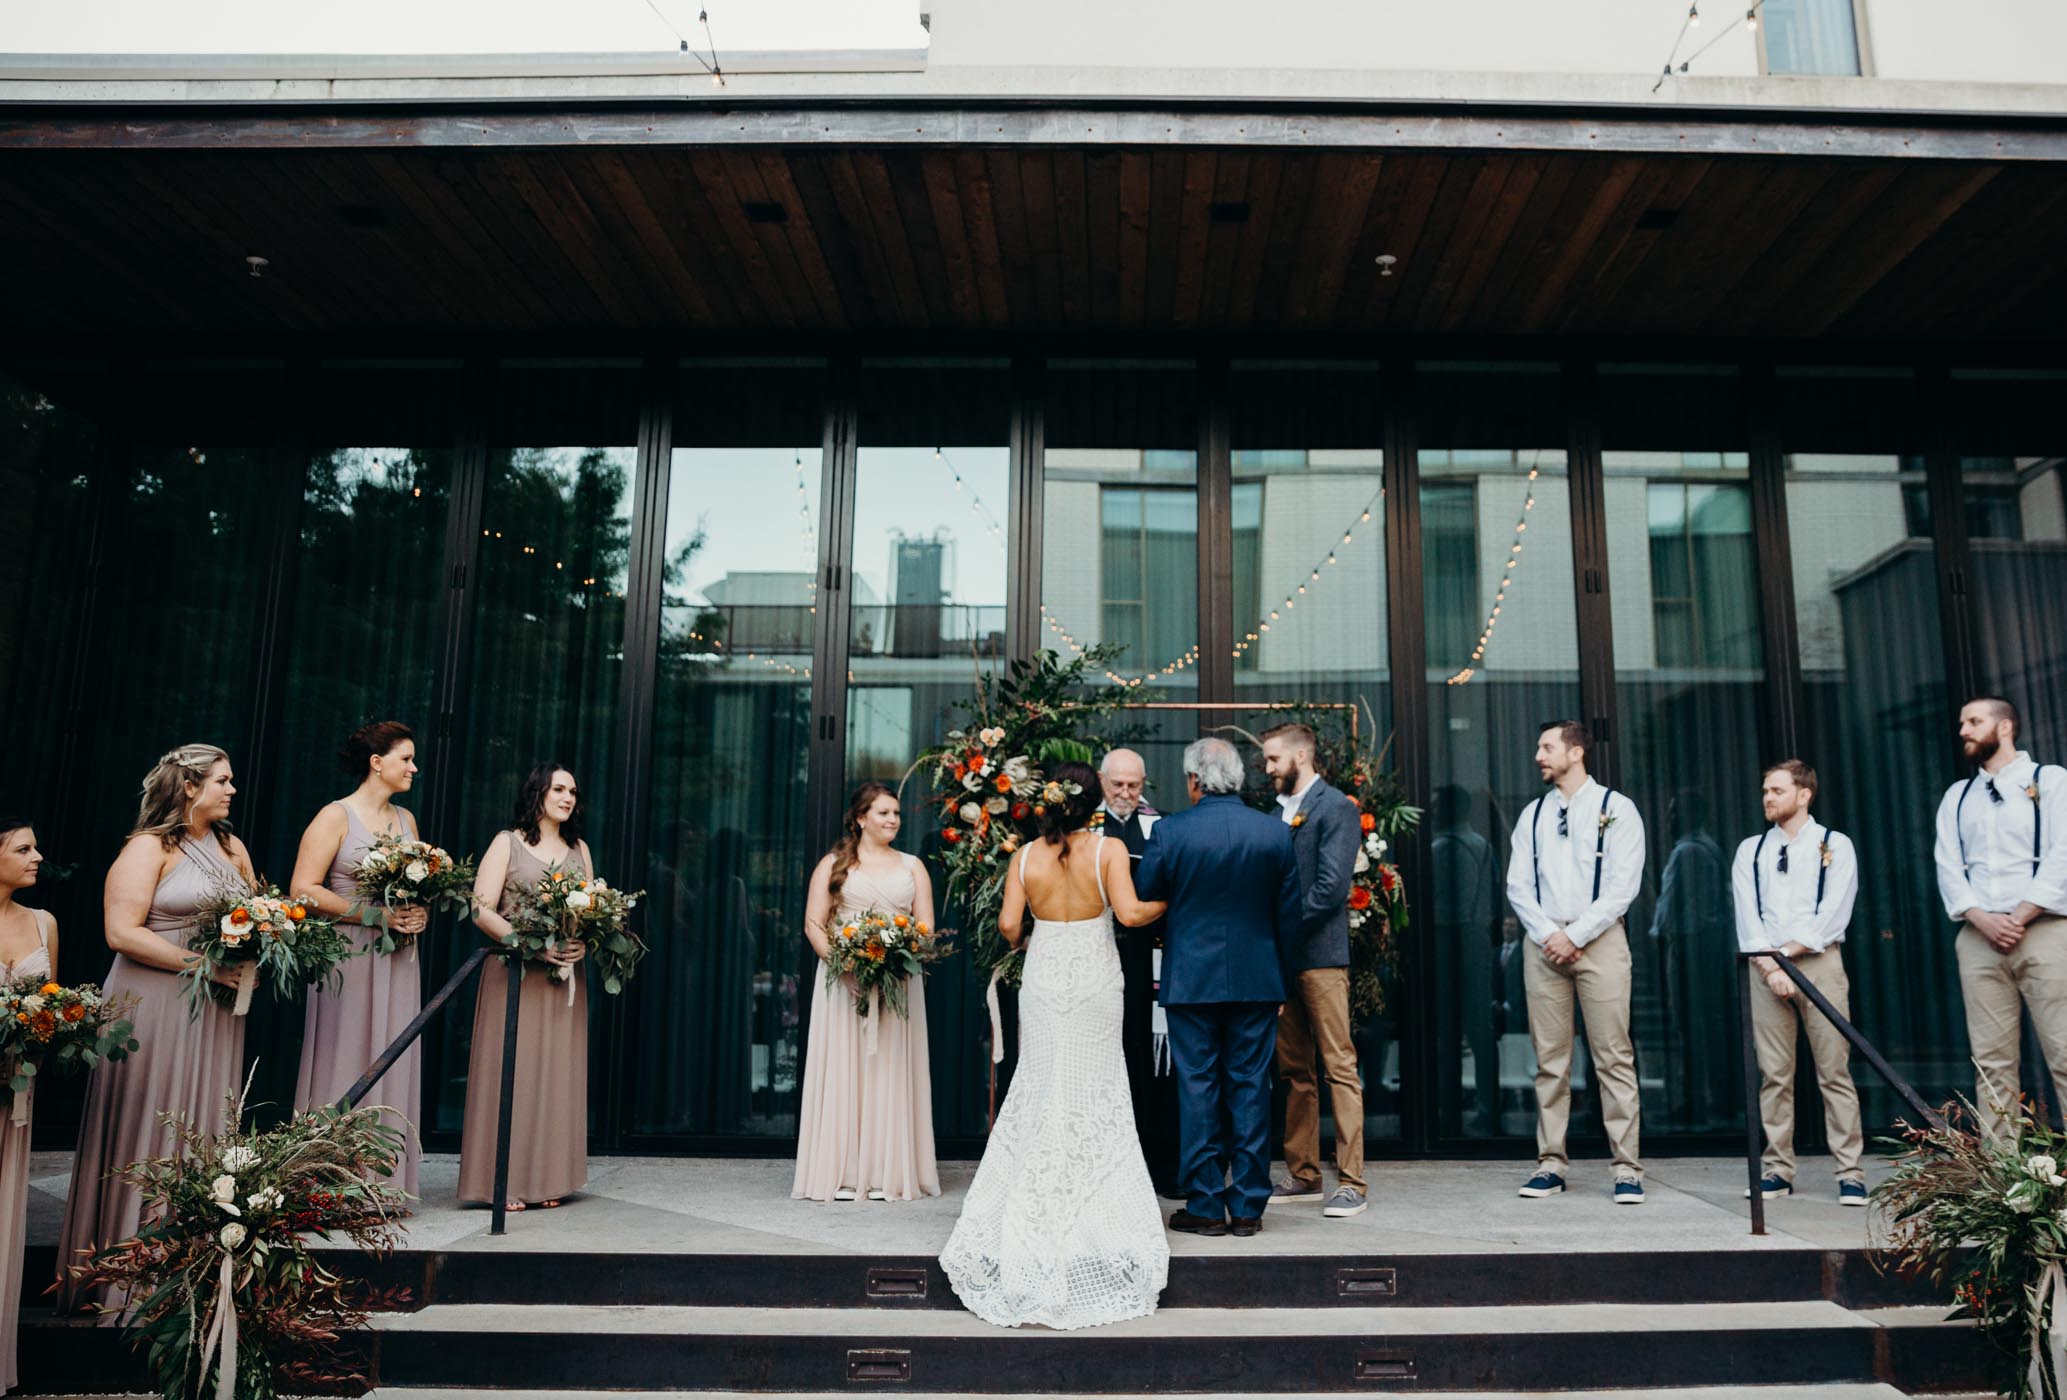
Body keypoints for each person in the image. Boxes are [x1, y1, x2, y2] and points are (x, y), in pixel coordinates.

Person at [941, 761, 1171, 1328]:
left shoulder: (1024, 856)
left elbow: (1008, 927)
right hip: (1094, 979)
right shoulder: (1108, 850)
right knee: (1096, 1085)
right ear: (1092, 803)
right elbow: (1131, 914)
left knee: (1040, 1083)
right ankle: (1092, 1204)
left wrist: (1035, 935)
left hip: (1046, 975)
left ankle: (1033, 1196)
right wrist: (1172, 899)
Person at [57, 745, 254, 1311]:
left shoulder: (232, 847)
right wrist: (205, 965)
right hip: (153, 1002)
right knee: (151, 1120)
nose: (231, 790)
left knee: (205, 1124)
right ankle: (125, 1279)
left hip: (215, 1009)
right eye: (222, 780)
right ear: (189, 786)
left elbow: (256, 916)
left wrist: (261, 950)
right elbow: (121, 932)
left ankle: (190, 1278)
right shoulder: (148, 847)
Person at [1134, 737, 1302, 1237]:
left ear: (1194, 780)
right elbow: (1289, 917)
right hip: (1258, 979)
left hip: (1192, 980)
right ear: (1238, 779)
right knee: (1251, 1087)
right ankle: (1248, 1206)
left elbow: (1146, 894)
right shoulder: (1274, 833)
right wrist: (1282, 983)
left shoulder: (1170, 831)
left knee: (1197, 1088)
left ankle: (1206, 1203)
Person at [1504, 720, 1647, 1204]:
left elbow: (1624, 886)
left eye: (1547, 747)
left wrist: (1577, 934)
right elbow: (1518, 885)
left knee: (1613, 1057)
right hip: (1544, 944)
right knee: (1550, 1061)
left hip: (1600, 941)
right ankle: (1550, 1163)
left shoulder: (1617, 809)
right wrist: (1550, 935)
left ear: (1576, 752)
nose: (1539, 756)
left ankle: (1626, 1169)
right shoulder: (1533, 814)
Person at [289, 720, 431, 1196]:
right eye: (405, 758)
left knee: (393, 1051)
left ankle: (383, 1183)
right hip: (348, 952)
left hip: (398, 956)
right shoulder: (336, 816)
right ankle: (328, 1182)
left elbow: (413, 888)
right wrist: (374, 916)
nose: (413, 767)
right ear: (376, 763)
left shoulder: (407, 820)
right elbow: (303, 889)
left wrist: (417, 912)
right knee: (344, 1052)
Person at [792, 782, 941, 1203]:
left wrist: (898, 962)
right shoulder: (833, 864)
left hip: (897, 983)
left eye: (896, 813)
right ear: (860, 818)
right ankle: (843, 1171)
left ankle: (884, 1172)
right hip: (843, 985)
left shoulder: (913, 867)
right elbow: (814, 924)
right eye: (883, 813)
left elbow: (925, 927)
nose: (893, 820)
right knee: (844, 1069)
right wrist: (845, 968)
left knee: (889, 1069)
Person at [458, 763, 593, 1211]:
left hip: (563, 980)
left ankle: (548, 1181)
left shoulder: (579, 850)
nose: (568, 798)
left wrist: (581, 943)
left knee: (556, 1075)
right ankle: (502, 1184)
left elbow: (588, 912)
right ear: (538, 793)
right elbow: (480, 909)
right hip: (514, 974)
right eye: (559, 789)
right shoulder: (508, 842)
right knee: (510, 1074)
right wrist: (530, 945)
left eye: (573, 792)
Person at [1732, 760, 1866, 1205]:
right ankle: (1777, 1169)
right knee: (1774, 1075)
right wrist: (1771, 967)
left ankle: (1849, 1171)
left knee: (1834, 1072)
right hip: (1764, 970)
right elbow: (1747, 915)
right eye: (1765, 791)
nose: (1767, 798)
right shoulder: (1751, 850)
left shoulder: (1835, 844)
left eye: (1777, 790)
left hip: (1819, 964)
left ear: (1804, 794)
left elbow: (1834, 913)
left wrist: (1785, 957)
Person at [1934, 696, 2067, 1141]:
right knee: (1991, 1062)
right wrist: (1982, 918)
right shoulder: (1957, 796)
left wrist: (2021, 915)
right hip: (1979, 939)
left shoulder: (2051, 780)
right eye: (1962, 722)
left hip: (2046, 931)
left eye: (1974, 721)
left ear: (2005, 727)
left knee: (2064, 1051)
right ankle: (2002, 1169)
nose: (1963, 731)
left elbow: (2062, 854)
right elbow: (1948, 865)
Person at [1259, 723, 1367, 1220]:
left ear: (1300, 756)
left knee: (1339, 1067)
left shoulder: (1336, 807)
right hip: (1282, 961)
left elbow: (1330, 888)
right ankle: (1303, 1173)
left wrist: (1278, 929)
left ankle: (1352, 1181)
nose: (1268, 768)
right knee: (1294, 1070)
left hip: (1321, 956)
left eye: (1273, 759)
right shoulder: (1274, 813)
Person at [1094, 747, 1179, 1197]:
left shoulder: (1161, 826)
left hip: (1150, 956)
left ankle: (1156, 1161)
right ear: (1101, 782)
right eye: (1117, 784)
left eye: (1134, 785)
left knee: (1149, 1059)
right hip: (1101, 954)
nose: (1126, 793)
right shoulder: (1086, 828)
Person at [0, 816, 57, 1386]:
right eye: (23, 849)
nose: (37, 857)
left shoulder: (44, 922)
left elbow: (53, 1007)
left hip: (15, 1089)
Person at [1648, 789, 1734, 1129]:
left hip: (1690, 944)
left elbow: (1670, 904)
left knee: (1688, 1023)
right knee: (1709, 1022)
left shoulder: (1687, 852)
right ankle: (1716, 1097)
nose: (1668, 819)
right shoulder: (1710, 848)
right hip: (1708, 942)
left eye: (1673, 812)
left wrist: (1659, 934)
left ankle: (1695, 1100)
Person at [1430, 785, 1499, 1134]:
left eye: (1436, 806)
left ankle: (1448, 1107)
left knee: (1447, 1029)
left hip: (1449, 939)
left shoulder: (1441, 848)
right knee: (1480, 1029)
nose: (1431, 812)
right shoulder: (1483, 845)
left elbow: (1441, 903)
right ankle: (1489, 1105)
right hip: (1479, 938)